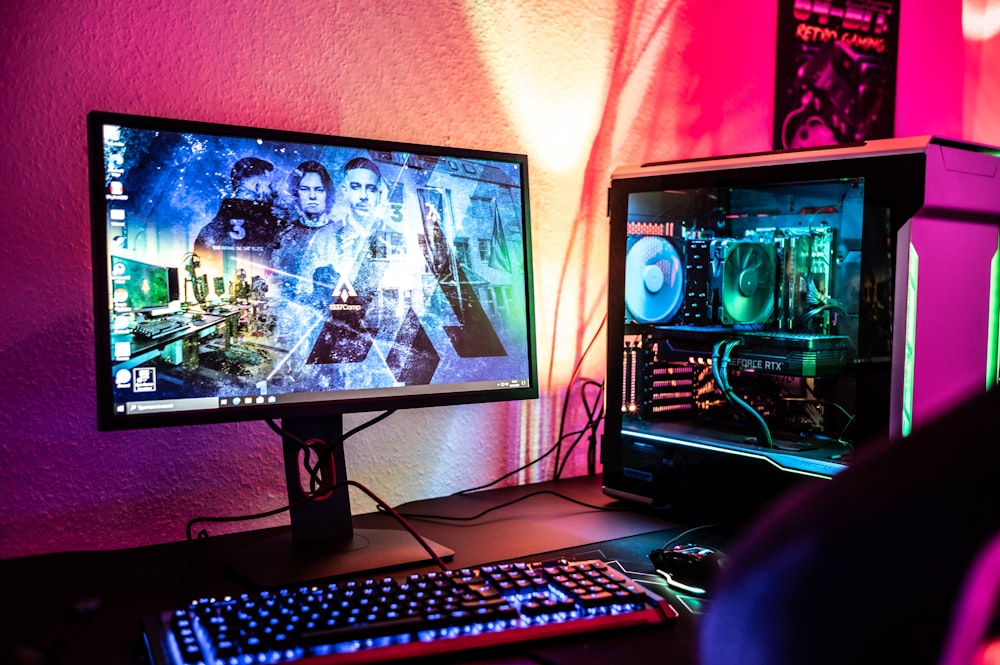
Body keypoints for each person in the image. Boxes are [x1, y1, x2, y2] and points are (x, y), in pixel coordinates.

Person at [192, 157, 282, 290]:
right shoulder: (267, 218)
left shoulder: (221, 220)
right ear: (257, 186)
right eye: (269, 185)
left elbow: (201, 247)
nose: (274, 191)